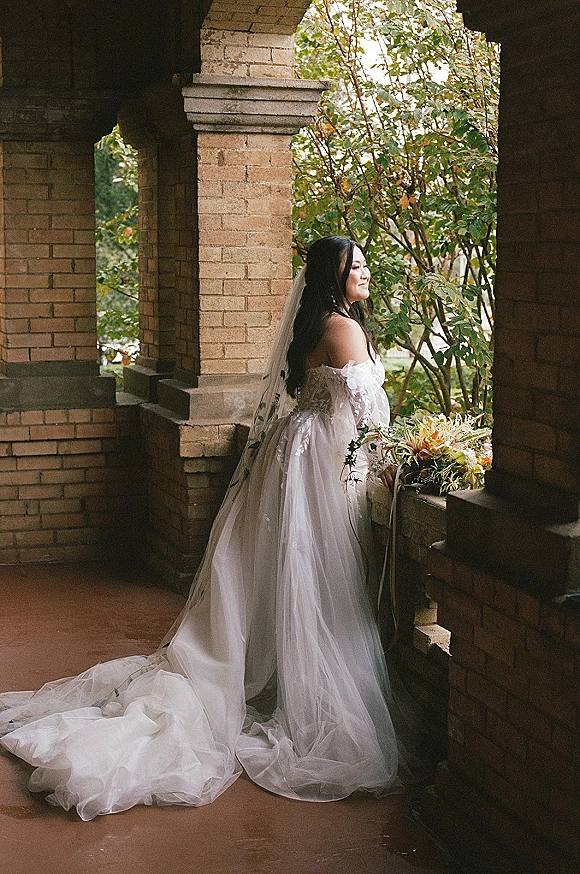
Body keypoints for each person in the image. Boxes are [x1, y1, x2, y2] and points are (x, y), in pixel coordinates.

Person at [0, 236, 426, 820]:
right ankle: (296, 688)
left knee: (281, 575)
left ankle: (270, 671)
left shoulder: (318, 323)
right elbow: (371, 415)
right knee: (315, 584)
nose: (368, 271)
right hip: (315, 462)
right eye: (358, 266)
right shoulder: (344, 329)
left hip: (297, 454)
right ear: (334, 275)